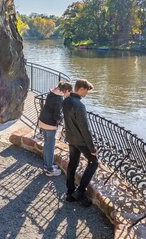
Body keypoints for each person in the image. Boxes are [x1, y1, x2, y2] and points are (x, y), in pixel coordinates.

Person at [62, 78, 97, 207]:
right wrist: (92, 148)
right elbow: (85, 129)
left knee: (73, 163)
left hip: (71, 139)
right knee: (94, 163)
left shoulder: (66, 101)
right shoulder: (79, 105)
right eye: (86, 91)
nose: (86, 94)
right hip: (81, 141)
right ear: (81, 88)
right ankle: (80, 191)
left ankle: (70, 193)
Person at [38, 81, 73, 176]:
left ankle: (47, 165)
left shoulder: (52, 93)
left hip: (43, 121)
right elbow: (56, 116)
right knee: (50, 147)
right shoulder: (59, 99)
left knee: (47, 145)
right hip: (50, 125)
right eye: (69, 92)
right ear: (66, 91)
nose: (69, 94)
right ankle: (49, 169)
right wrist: (62, 118)